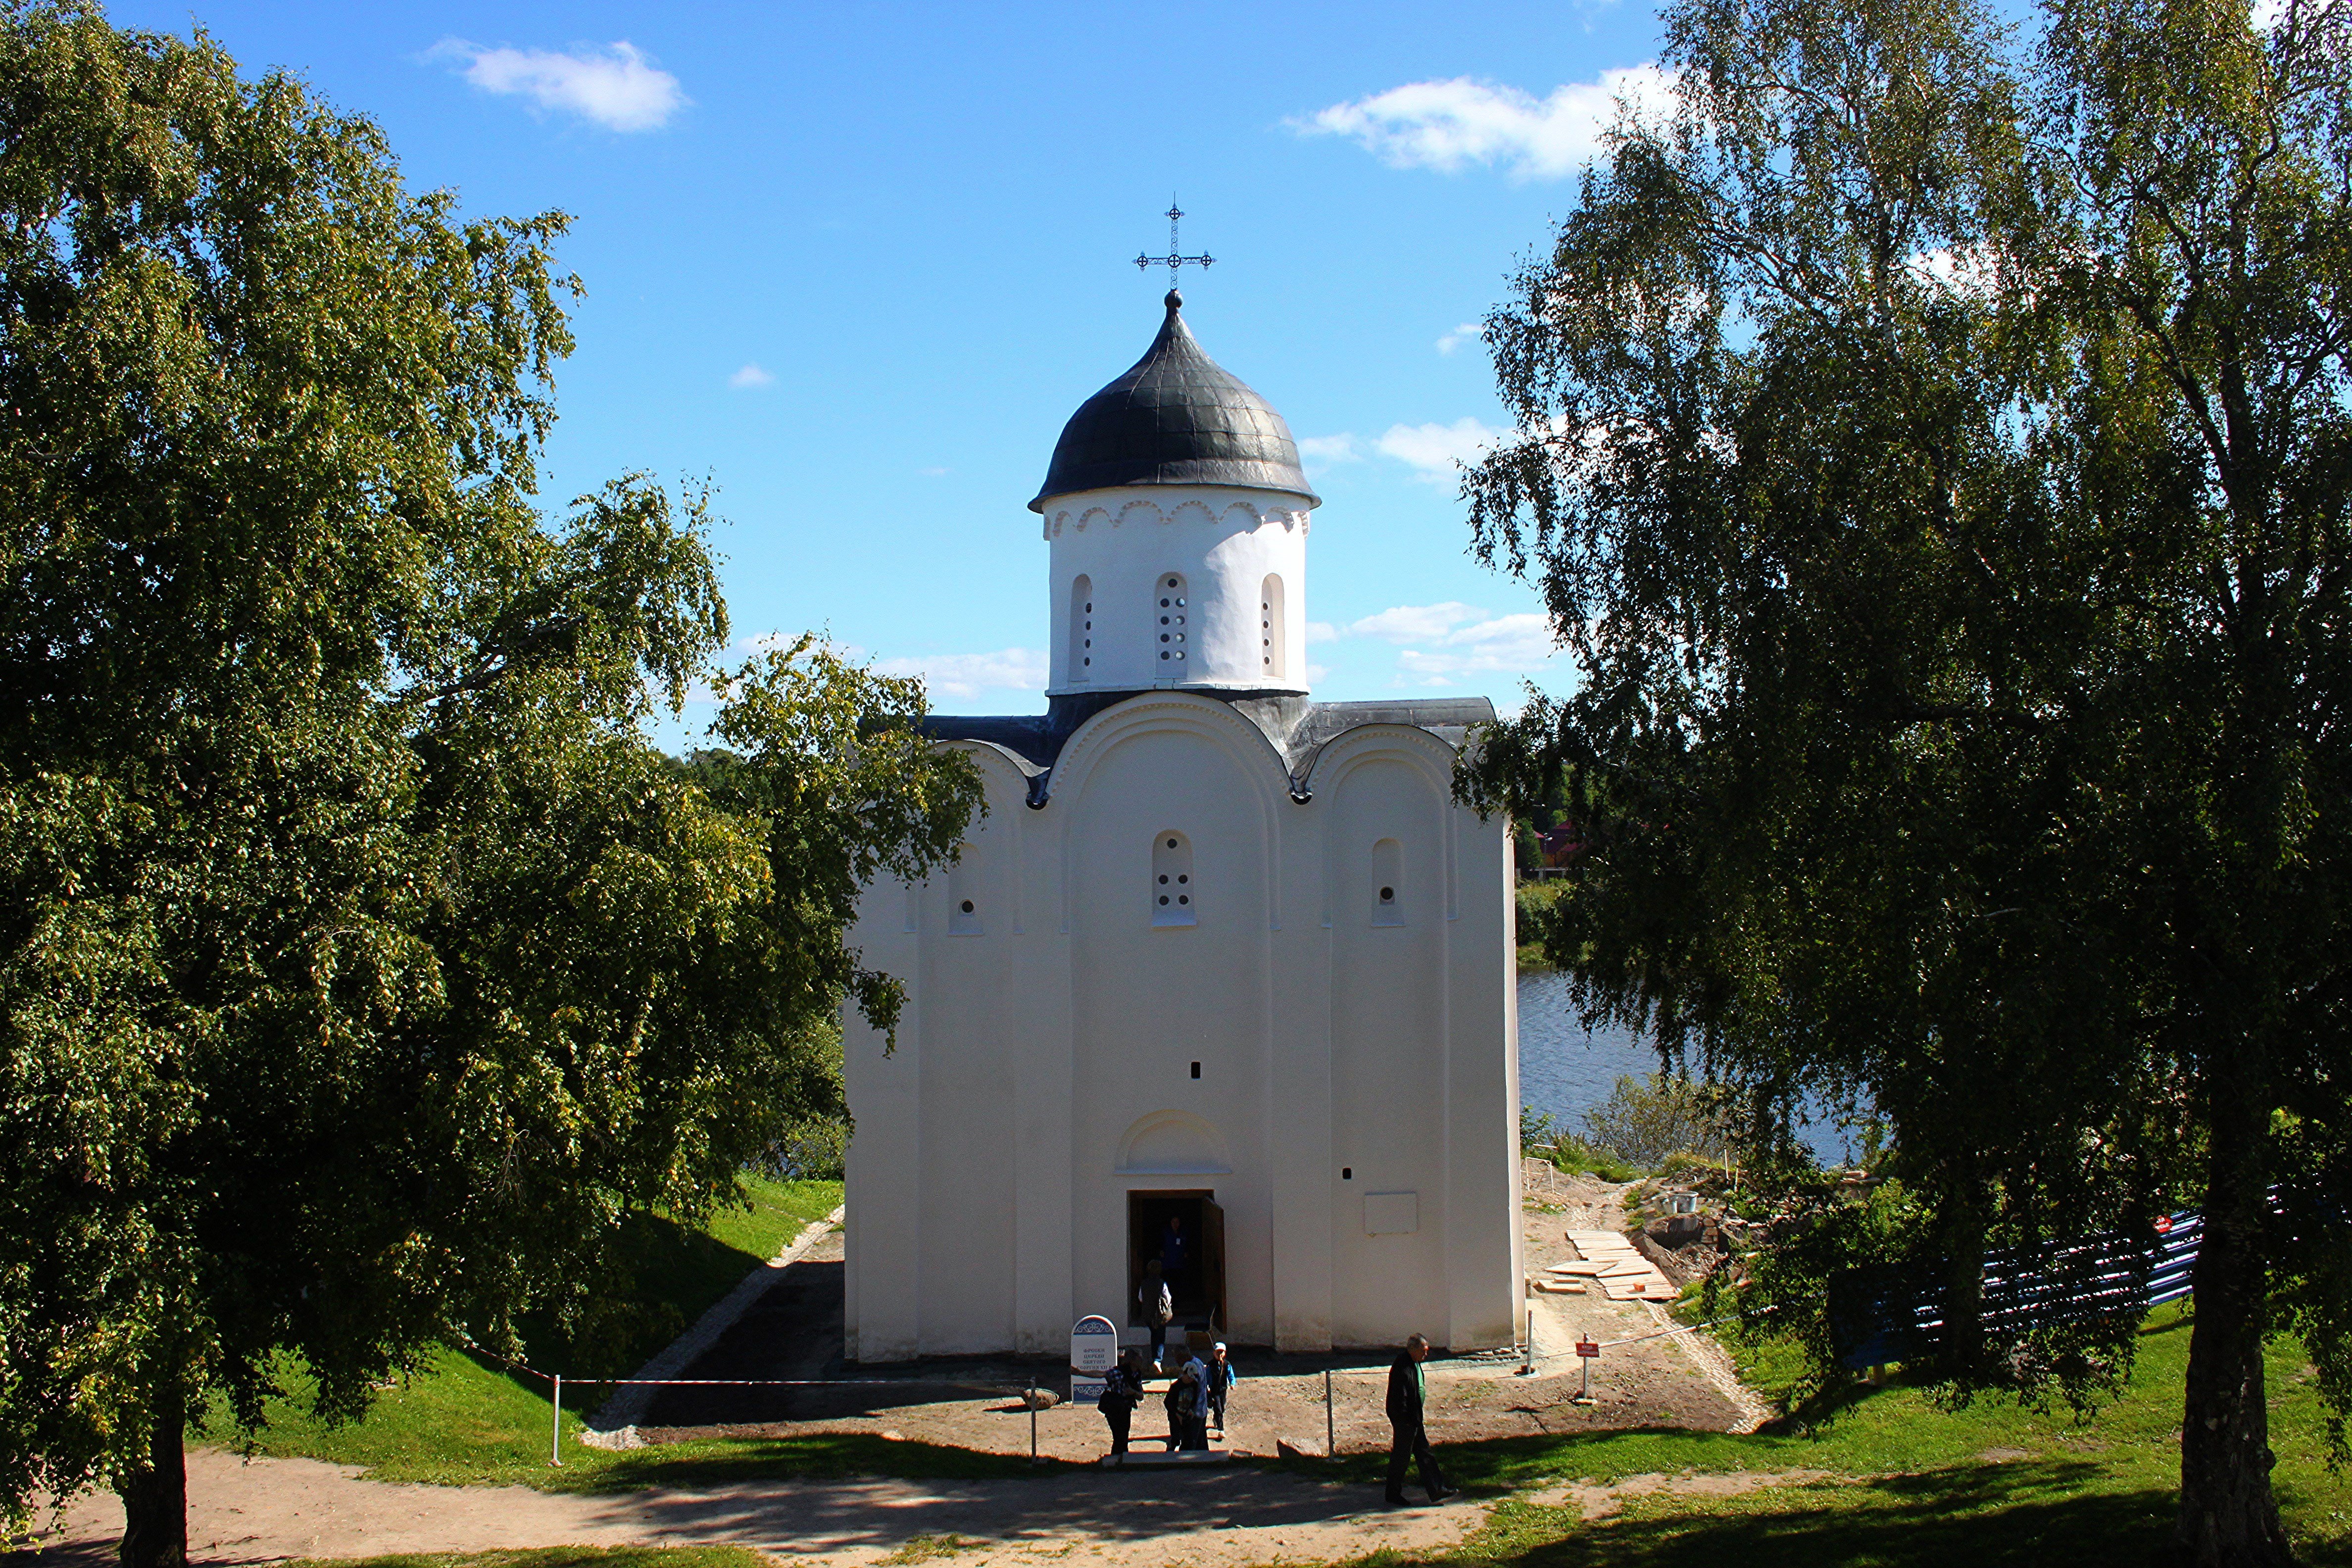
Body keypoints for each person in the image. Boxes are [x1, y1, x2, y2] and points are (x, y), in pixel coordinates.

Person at [1384, 1333, 1456, 1506]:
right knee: (1401, 1457)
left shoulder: (1414, 1363)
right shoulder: (1403, 1366)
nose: (1426, 1355)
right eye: (1423, 1351)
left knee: (1425, 1454)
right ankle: (1393, 1494)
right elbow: (1399, 1397)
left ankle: (1437, 1489)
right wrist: (1405, 1420)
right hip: (1406, 1420)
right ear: (1413, 1350)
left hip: (1414, 1418)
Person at [1094, 1348, 1146, 1462]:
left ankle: (1121, 1460)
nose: (1142, 1360)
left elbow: (1141, 1396)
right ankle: (1117, 1461)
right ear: (1133, 1360)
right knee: (1119, 1437)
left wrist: (1133, 1392)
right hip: (1114, 1410)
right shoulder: (1118, 1373)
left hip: (1126, 1410)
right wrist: (1080, 1373)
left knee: (1123, 1437)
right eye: (1139, 1357)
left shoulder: (1137, 1375)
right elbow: (1101, 1374)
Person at [1138, 1259, 1175, 1366]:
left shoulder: (1144, 1283)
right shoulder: (1162, 1283)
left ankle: (1155, 1357)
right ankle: (1158, 1360)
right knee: (1160, 1336)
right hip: (1160, 1314)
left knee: (1154, 1335)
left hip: (1148, 1314)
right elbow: (1168, 1298)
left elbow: (1140, 1298)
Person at [1164, 1358, 1201, 1451]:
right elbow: (1168, 1403)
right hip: (1175, 1417)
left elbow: (1196, 1399)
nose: (1190, 1380)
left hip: (1187, 1417)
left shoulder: (1194, 1385)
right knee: (1176, 1438)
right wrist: (1176, 1414)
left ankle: (1183, 1455)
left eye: (1192, 1378)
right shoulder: (1176, 1387)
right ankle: (1170, 1453)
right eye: (1188, 1377)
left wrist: (1192, 1410)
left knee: (1187, 1439)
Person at [1203, 1341, 1237, 1435]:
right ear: (1214, 1353)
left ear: (1225, 1353)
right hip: (1214, 1391)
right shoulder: (1211, 1365)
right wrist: (1206, 1387)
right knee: (1218, 1409)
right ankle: (1221, 1430)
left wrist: (1232, 1383)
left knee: (1222, 1408)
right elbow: (1207, 1377)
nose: (1220, 1355)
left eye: (1222, 1352)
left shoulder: (1227, 1365)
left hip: (1223, 1390)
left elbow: (1231, 1375)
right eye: (1218, 1352)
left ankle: (1216, 1419)